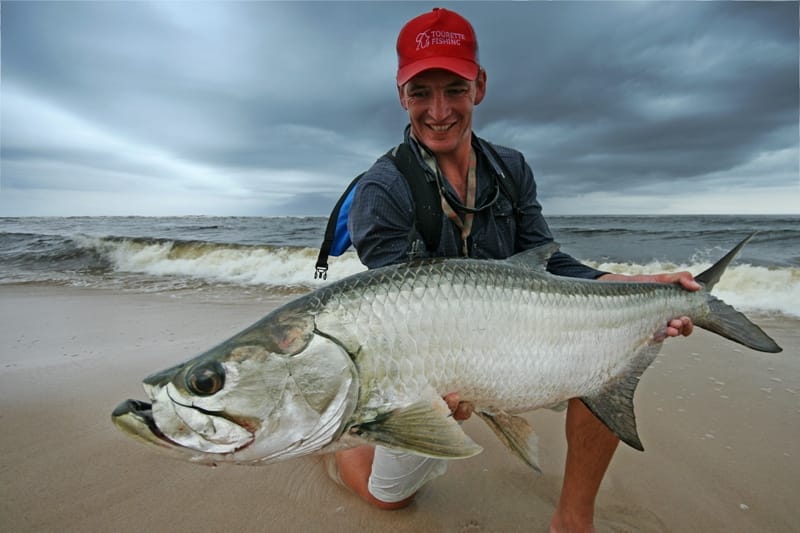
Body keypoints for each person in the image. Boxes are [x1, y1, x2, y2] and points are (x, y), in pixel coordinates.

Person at [332, 8, 699, 532]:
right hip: (433, 361)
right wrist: (448, 388)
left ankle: (573, 519)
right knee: (389, 498)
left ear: (479, 86)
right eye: (421, 93)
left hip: (516, 340)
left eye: (454, 89)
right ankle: (344, 454)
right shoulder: (381, 192)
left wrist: (632, 286)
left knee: (612, 350)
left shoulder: (511, 167)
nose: (439, 111)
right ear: (401, 95)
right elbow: (405, 315)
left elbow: (550, 260)